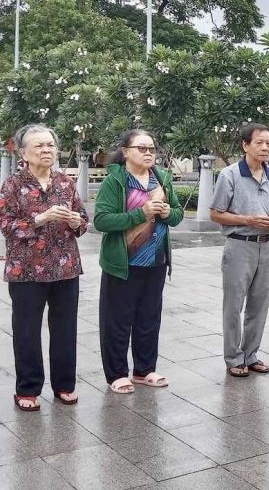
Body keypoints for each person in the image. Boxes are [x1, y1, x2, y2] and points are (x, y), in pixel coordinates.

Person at [0, 125, 88, 411]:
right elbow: (6, 226)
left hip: (66, 268)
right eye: (39, 146)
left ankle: (64, 385)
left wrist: (76, 222)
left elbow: (83, 221)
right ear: (23, 152)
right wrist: (41, 218)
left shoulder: (66, 182)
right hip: (26, 270)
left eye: (50, 145)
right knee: (26, 331)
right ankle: (28, 389)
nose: (46, 150)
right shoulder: (12, 185)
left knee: (65, 330)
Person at [94, 129, 184, 393]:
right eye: (141, 148)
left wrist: (168, 213)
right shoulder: (116, 181)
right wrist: (140, 213)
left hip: (155, 262)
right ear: (125, 152)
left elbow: (177, 215)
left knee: (149, 319)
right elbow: (102, 221)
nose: (148, 153)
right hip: (123, 264)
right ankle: (117, 374)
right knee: (118, 321)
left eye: (151, 149)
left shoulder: (162, 179)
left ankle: (144, 370)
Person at [209, 124, 269, 377]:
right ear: (245, 145)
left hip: (267, 245)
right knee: (234, 304)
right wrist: (249, 220)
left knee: (259, 303)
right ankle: (233, 358)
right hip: (240, 245)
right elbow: (216, 213)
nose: (265, 147)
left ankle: (251, 355)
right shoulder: (230, 175)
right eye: (260, 142)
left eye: (268, 143)